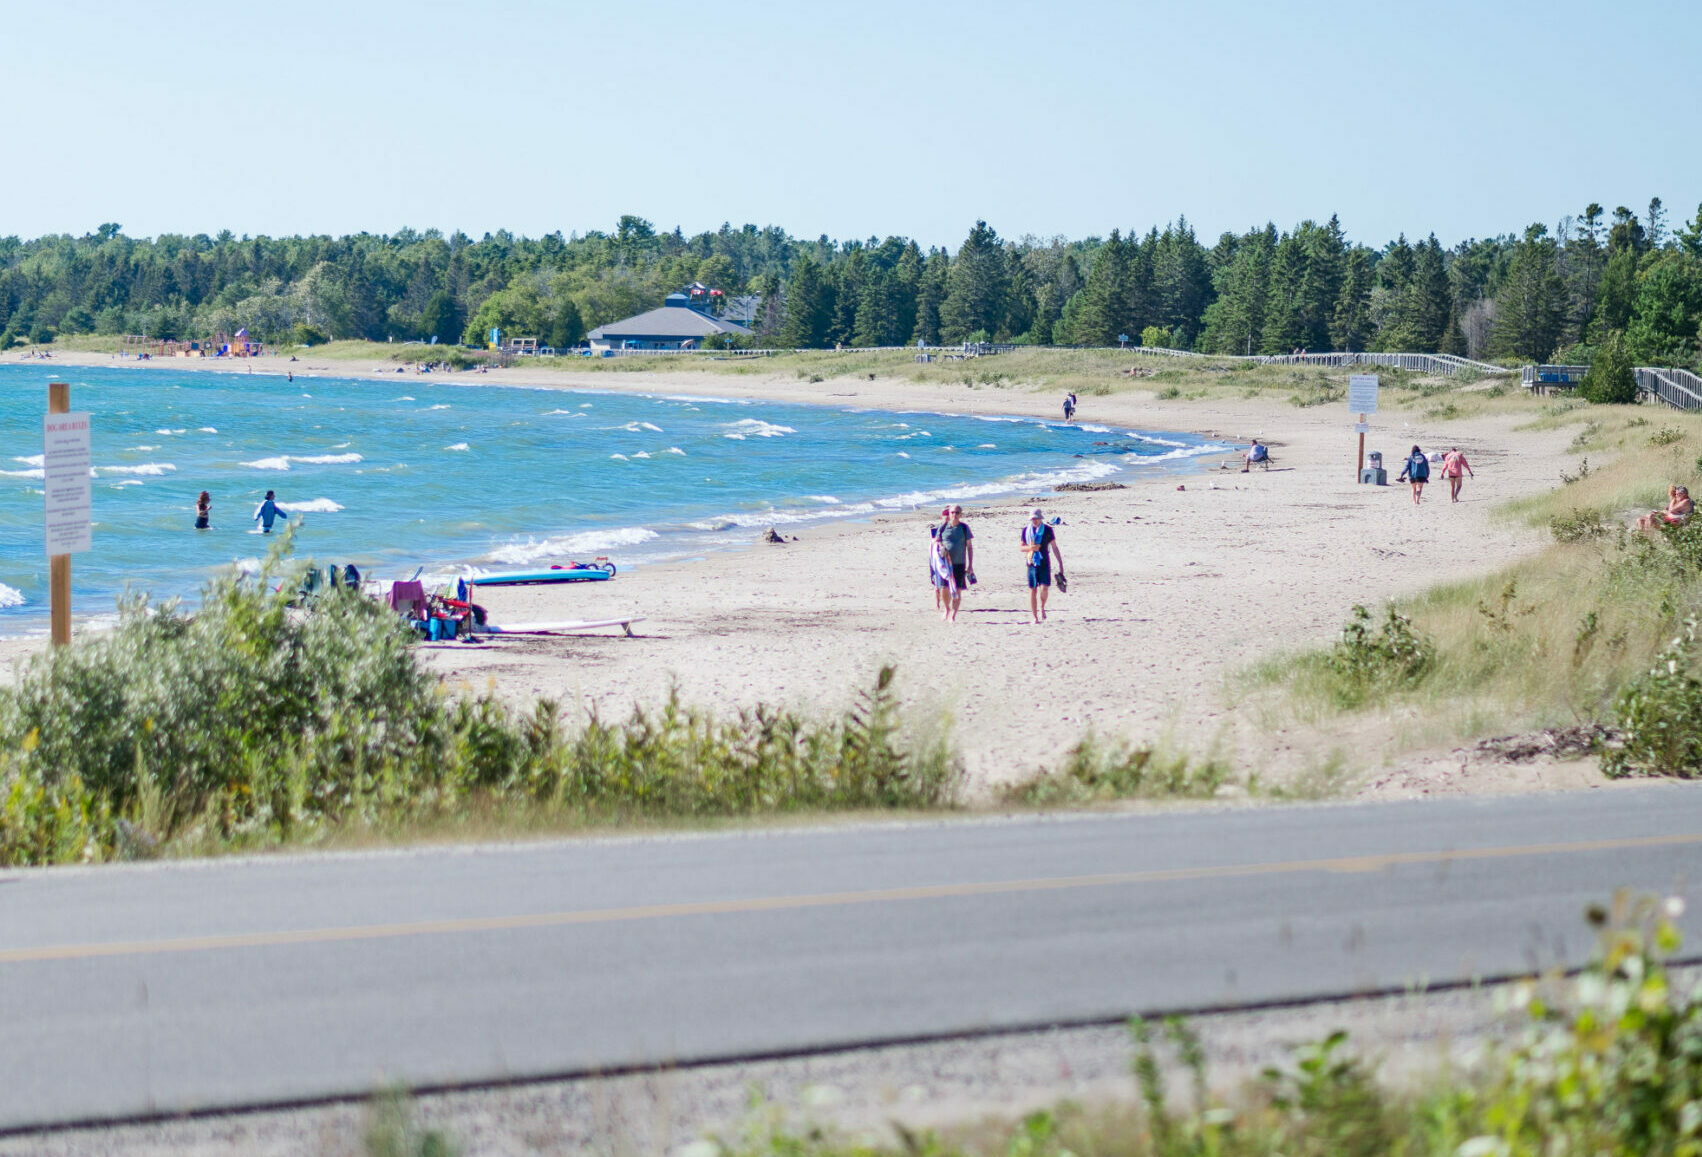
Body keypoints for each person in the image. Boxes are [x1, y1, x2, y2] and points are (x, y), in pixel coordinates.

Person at [1020, 508, 1065, 625]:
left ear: (1041, 519)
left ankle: (1042, 606)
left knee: (1044, 589)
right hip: (1031, 563)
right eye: (1032, 519)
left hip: (1044, 562)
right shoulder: (1026, 530)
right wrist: (1031, 548)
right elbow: (1021, 547)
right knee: (1032, 590)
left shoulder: (1048, 530)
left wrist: (1060, 563)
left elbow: (1054, 547)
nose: (1034, 520)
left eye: (1036, 518)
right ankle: (1035, 617)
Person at [938, 504, 974, 622]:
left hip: (960, 563)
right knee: (944, 589)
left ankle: (953, 614)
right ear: (949, 514)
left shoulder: (964, 528)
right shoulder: (943, 527)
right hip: (945, 564)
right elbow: (936, 541)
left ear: (960, 514)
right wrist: (941, 547)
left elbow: (969, 547)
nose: (954, 515)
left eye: (957, 512)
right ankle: (947, 609)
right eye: (952, 512)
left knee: (957, 590)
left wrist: (970, 565)